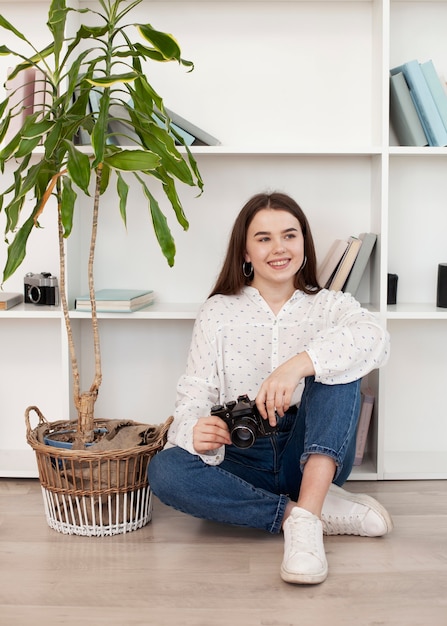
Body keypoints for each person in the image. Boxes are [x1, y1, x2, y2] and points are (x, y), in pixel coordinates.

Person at [148, 192, 392, 585]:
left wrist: (298, 365)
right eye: (263, 238)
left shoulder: (331, 306)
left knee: (341, 362)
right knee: (165, 471)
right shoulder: (218, 311)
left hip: (312, 449)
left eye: (289, 236)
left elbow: (376, 339)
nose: (278, 248)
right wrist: (194, 429)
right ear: (245, 252)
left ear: (303, 244)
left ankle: (307, 526)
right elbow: (193, 395)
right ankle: (303, 513)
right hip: (243, 454)